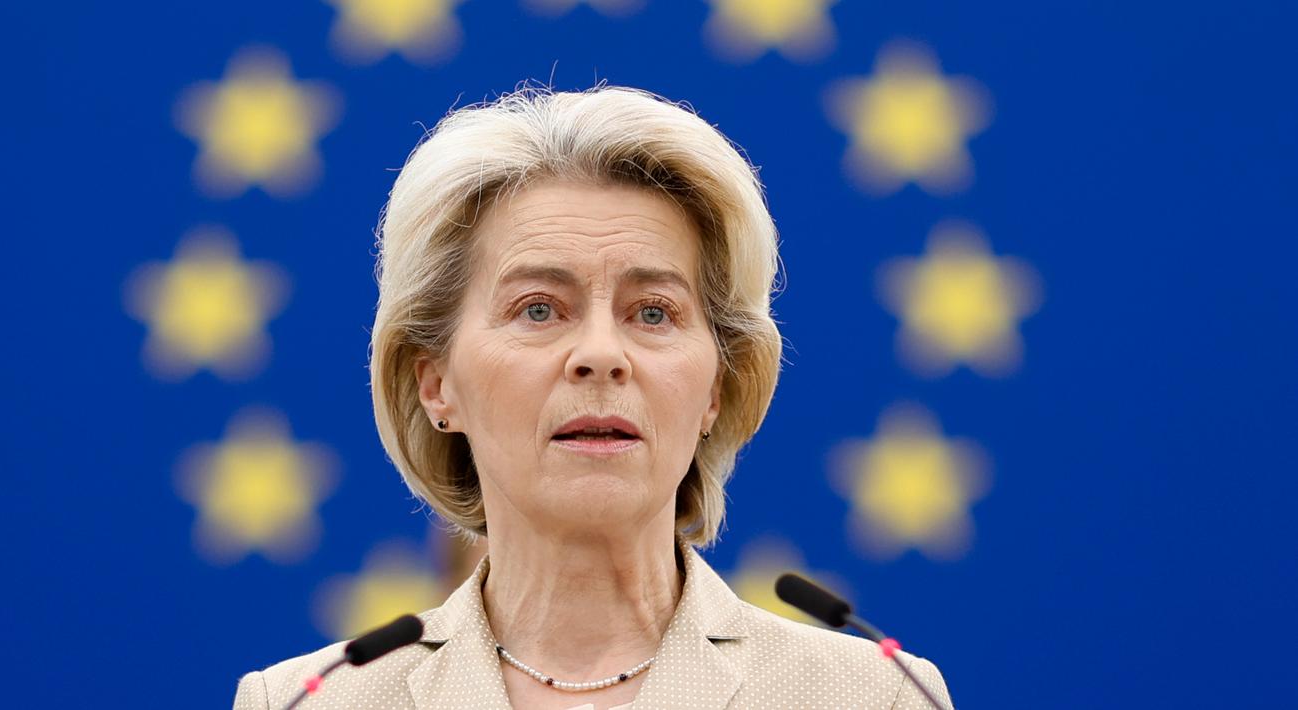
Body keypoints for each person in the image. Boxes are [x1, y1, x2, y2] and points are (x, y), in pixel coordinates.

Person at [233, 84, 954, 710]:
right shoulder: (305, 701)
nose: (602, 355)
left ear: (717, 385)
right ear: (435, 383)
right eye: (538, 309)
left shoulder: (873, 696)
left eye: (653, 313)